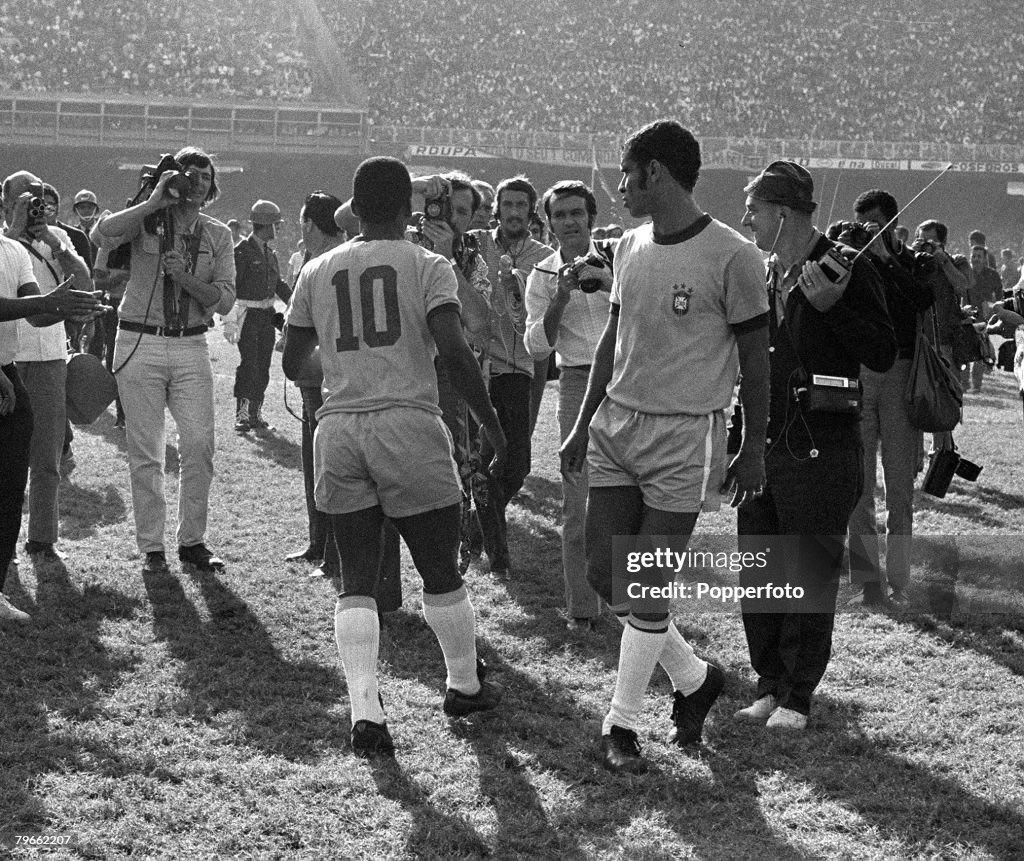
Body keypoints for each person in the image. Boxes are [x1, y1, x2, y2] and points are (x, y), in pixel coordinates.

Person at [560, 121, 770, 773]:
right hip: (616, 429)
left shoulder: (733, 255)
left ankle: (620, 726)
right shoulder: (627, 246)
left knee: (644, 583)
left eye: (626, 173)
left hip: (685, 437)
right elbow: (610, 341)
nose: (620, 187)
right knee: (604, 571)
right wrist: (581, 421)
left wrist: (752, 445)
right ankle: (695, 677)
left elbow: (757, 362)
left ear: (655, 172)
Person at [282, 156, 508, 757]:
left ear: (354, 209)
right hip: (409, 423)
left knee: (355, 580)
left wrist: (345, 375)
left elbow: (291, 361)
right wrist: (490, 423)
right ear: (408, 208)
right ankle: (463, 683)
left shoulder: (317, 268)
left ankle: (365, 713)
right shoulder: (427, 263)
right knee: (440, 569)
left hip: (341, 428)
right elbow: (457, 353)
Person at [736, 161, 895, 732]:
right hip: (764, 444)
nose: (746, 219)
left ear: (781, 214)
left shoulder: (845, 268)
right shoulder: (761, 271)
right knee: (760, 567)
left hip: (822, 448)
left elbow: (880, 350)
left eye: (753, 209)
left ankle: (798, 695)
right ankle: (768, 683)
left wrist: (835, 308)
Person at [92, 146, 236, 576]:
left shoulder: (218, 234)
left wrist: (184, 277)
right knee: (146, 451)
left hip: (192, 343)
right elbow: (102, 235)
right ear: (173, 178)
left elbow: (226, 300)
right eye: (188, 174)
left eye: (205, 177)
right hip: (140, 339)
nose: (196, 182)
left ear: (212, 188)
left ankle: (192, 541)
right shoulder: (147, 218)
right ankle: (152, 548)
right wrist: (154, 200)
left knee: (198, 445)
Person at [282, 190, 402, 609]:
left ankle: (341, 562)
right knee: (318, 470)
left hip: (341, 390)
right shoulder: (319, 264)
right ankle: (323, 548)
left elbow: (302, 347)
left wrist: (323, 366)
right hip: (328, 386)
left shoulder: (331, 265)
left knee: (345, 481)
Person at [1, 199, 102, 623]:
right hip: (7, 363)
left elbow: (41, 308)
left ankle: (29, 552)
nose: (36, 206)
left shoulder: (30, 248)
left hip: (25, 363)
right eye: (26, 199)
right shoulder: (10, 246)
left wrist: (61, 303)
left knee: (29, 467)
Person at [525, 180, 614, 631]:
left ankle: (638, 607)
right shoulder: (541, 274)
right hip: (578, 381)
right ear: (549, 223)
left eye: (577, 213)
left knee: (636, 498)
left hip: (628, 379)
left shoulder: (621, 257)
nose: (569, 222)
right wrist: (561, 296)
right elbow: (537, 346)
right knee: (577, 501)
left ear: (591, 217)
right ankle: (583, 609)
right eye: (560, 215)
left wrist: (609, 283)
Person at [840, 191, 935, 608]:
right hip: (860, 375)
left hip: (900, 375)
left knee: (899, 486)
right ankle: (866, 579)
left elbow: (923, 298)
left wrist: (885, 256)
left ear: (894, 223)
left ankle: (900, 579)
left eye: (874, 224)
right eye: (862, 224)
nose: (867, 231)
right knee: (857, 485)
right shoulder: (851, 257)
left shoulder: (912, 260)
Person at [468, 176, 552, 574]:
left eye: (522, 205)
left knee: (517, 465)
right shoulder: (475, 243)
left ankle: (477, 521)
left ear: (531, 211)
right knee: (485, 460)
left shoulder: (545, 256)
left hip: (520, 370)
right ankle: (497, 555)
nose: (514, 212)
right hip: (480, 367)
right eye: (508, 204)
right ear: (497, 208)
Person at [226, 199, 292, 433]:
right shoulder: (241, 252)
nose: (277, 229)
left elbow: (278, 284)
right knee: (249, 364)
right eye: (275, 224)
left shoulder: (270, 254)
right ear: (265, 224)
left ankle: (256, 413)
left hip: (266, 316)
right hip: (248, 315)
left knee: (263, 365)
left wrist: (294, 300)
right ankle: (242, 414)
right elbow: (233, 285)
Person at [962, 244, 1001, 392]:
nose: (976, 259)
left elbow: (999, 295)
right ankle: (964, 383)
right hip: (966, 315)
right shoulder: (965, 273)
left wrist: (995, 310)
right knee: (964, 348)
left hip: (984, 317)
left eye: (979, 256)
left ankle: (976, 385)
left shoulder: (992, 275)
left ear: (985, 259)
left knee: (980, 350)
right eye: (973, 256)